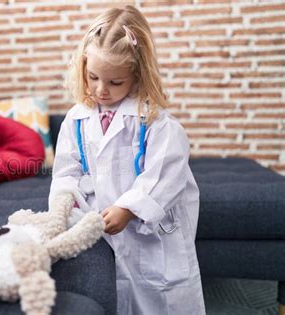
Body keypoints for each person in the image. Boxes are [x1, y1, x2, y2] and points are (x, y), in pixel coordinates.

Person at [48, 5, 206, 315]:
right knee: (120, 299)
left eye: (114, 82)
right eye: (92, 77)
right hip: (103, 225)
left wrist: (129, 208)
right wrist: (64, 203)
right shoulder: (76, 119)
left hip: (150, 232)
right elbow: (67, 169)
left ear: (137, 75)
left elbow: (165, 175)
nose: (100, 90)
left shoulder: (157, 123)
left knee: (162, 300)